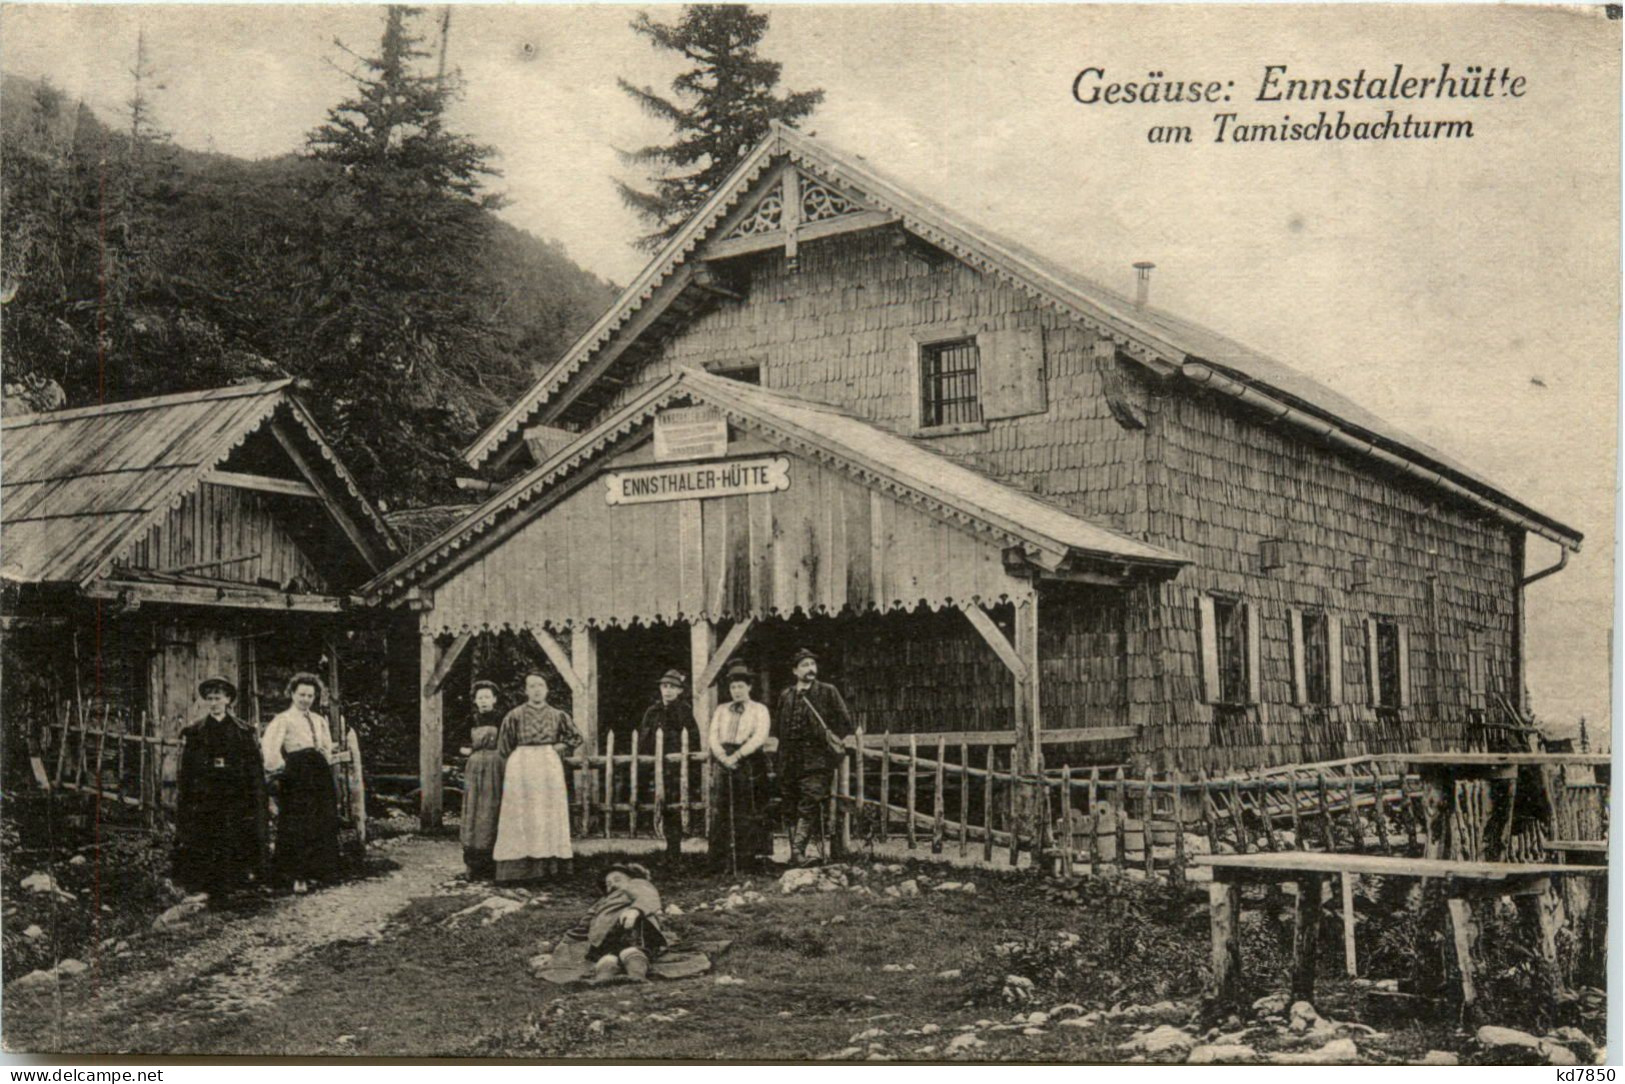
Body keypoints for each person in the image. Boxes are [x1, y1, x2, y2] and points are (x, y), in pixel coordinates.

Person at [174, 676, 267, 901]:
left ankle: (232, 884)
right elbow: (187, 771)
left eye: (218, 698)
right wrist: (187, 798)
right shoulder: (195, 732)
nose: (213, 702)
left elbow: (254, 769)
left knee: (233, 835)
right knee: (207, 836)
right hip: (206, 794)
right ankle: (207, 887)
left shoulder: (243, 731)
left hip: (234, 793)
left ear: (228, 700)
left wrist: (255, 797)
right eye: (210, 699)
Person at [494, 671, 581, 883]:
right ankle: (519, 870)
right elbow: (503, 747)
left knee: (547, 811)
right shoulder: (514, 715)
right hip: (521, 765)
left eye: (540, 685)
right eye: (532, 686)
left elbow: (576, 737)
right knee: (521, 813)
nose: (536, 690)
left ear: (547, 689)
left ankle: (550, 868)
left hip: (548, 765)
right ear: (525, 690)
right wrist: (515, 764)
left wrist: (560, 746)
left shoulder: (558, 715)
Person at [261, 672, 341, 894]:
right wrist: (280, 773)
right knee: (298, 823)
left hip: (318, 774)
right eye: (301, 694)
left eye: (310, 695)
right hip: (297, 774)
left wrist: (323, 761)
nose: (306, 699)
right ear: (292, 694)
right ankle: (296, 876)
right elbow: (270, 749)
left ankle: (318, 871)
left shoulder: (319, 720)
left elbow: (326, 747)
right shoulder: (283, 720)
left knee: (322, 818)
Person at [774, 648, 854, 867]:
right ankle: (795, 854)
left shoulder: (828, 691)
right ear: (794, 670)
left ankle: (798, 851)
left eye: (813, 664)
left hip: (817, 759)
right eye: (805, 665)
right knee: (789, 803)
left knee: (810, 801)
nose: (811, 669)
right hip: (789, 759)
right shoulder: (786, 695)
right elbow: (778, 727)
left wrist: (826, 742)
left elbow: (845, 722)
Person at [706, 661, 773, 872]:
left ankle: (747, 861)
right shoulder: (721, 710)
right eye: (733, 687)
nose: (736, 691)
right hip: (723, 760)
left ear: (749, 687)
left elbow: (760, 736)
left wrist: (738, 755)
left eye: (741, 686)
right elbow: (712, 736)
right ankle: (720, 862)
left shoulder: (759, 710)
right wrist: (723, 757)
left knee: (747, 809)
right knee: (721, 810)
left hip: (749, 762)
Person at [558, 862, 670, 985]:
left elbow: (647, 896)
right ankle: (602, 980)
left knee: (632, 951)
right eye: (608, 884)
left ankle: (637, 977)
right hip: (605, 937)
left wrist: (635, 910)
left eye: (618, 879)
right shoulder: (601, 902)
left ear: (631, 879)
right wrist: (567, 940)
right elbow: (586, 922)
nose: (613, 885)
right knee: (607, 958)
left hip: (633, 927)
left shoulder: (635, 885)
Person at [637, 669, 699, 861]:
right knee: (657, 803)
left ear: (680, 691)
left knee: (674, 805)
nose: (668, 691)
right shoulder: (652, 711)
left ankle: (674, 848)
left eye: (673, 687)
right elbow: (643, 738)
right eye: (665, 686)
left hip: (676, 767)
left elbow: (693, 738)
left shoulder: (684, 710)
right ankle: (659, 843)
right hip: (655, 765)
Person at [461, 680, 507, 880]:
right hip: (475, 766)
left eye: (487, 697)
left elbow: (509, 741)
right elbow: (459, 744)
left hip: (496, 766)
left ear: (495, 699)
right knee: (474, 809)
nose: (484, 701)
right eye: (480, 698)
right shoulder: (469, 720)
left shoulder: (503, 719)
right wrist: (469, 750)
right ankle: (474, 865)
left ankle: (494, 864)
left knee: (492, 808)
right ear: (475, 701)